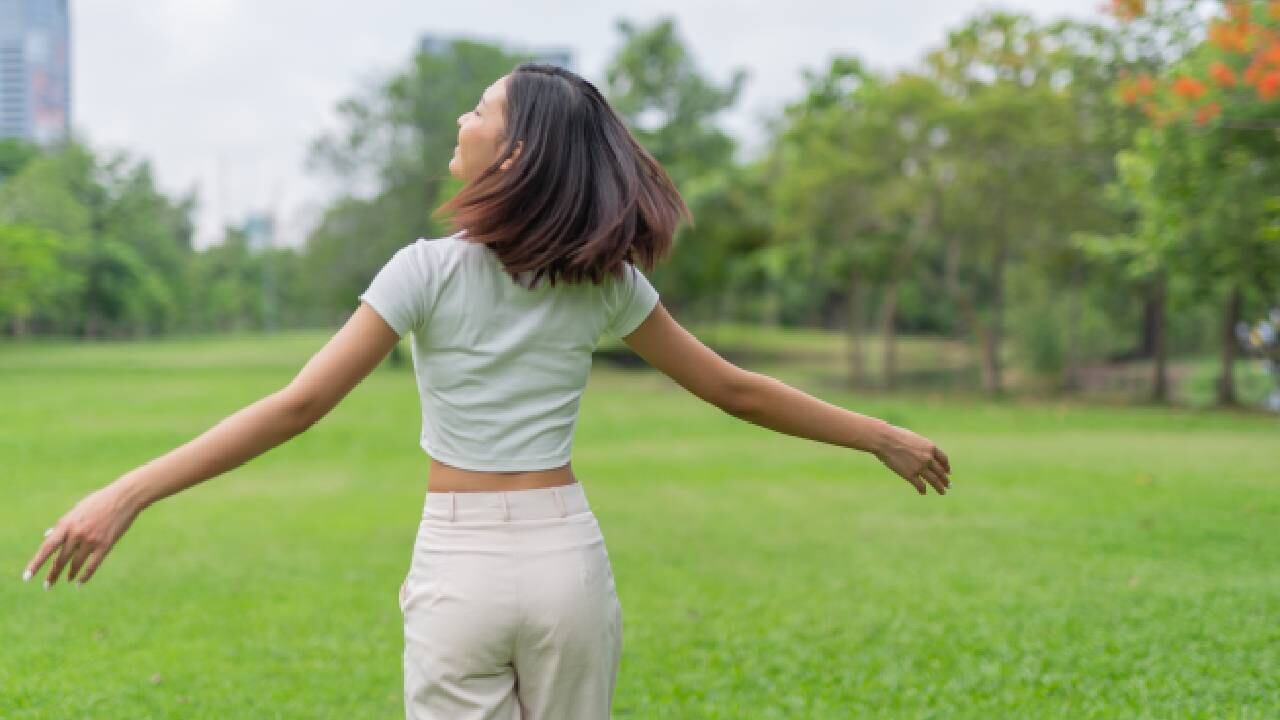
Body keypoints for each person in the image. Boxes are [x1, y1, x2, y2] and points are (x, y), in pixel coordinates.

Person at [22, 63, 952, 719]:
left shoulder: (424, 271)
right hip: (568, 564)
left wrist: (127, 491)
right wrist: (882, 436)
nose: (461, 123)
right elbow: (735, 390)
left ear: (514, 155)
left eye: (479, 111)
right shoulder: (605, 282)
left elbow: (298, 405)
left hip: (460, 568)